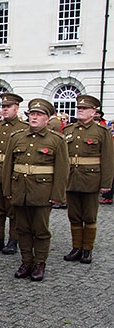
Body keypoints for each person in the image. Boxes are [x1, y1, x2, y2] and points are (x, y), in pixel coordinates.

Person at [2, 99, 69, 281]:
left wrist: (58, 195)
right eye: (32, 114)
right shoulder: (17, 137)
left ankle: (40, 263)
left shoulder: (56, 140)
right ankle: (26, 262)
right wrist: (8, 189)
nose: (34, 117)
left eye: (39, 115)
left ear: (47, 119)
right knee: (22, 228)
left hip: (42, 192)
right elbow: (8, 166)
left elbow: (62, 170)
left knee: (40, 230)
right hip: (19, 191)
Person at [62, 95, 114, 264]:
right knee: (74, 216)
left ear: (93, 112)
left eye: (84, 109)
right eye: (79, 108)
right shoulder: (69, 130)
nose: (80, 111)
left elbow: (108, 159)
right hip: (71, 179)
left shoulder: (101, 132)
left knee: (89, 217)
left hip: (91, 179)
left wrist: (106, 184)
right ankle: (76, 247)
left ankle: (87, 249)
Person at [0, 93, 29, 255]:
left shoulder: (23, 129)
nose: (4, 110)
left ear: (16, 108)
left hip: (13, 177)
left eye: (8, 107)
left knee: (13, 210)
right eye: (3, 107)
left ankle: (13, 240)